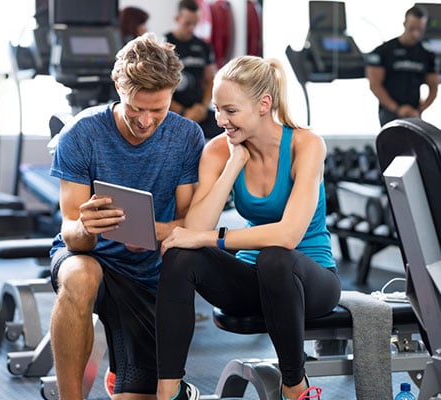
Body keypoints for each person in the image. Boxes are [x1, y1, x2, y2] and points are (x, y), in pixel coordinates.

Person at [155, 55, 341, 400]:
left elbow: (288, 235)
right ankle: (169, 391)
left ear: (263, 104)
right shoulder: (218, 150)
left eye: (230, 111)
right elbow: (194, 230)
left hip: (310, 281)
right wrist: (232, 166)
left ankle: (294, 387)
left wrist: (210, 238)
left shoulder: (306, 144)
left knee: (275, 256)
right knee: (181, 255)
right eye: (217, 110)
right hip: (251, 280)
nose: (221, 120)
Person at [48, 33, 205, 400]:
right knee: (81, 274)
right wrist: (86, 227)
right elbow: (70, 231)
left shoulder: (186, 137)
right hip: (91, 258)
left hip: (149, 272)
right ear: (119, 85)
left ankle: (126, 377)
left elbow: (191, 222)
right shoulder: (82, 134)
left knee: (138, 394)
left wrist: (155, 232)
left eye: (159, 109)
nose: (147, 120)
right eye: (137, 107)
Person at [366, 5, 438, 127]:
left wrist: (421, 108)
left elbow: (434, 86)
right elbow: (375, 85)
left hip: (414, 112)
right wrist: (397, 109)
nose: (415, 33)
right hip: (389, 111)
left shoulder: (426, 54)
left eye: (419, 29)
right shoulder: (384, 51)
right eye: (412, 28)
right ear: (405, 23)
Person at [165, 0, 223, 139]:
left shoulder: (203, 46)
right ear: (177, 19)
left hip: (198, 109)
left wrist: (203, 107)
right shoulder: (164, 44)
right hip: (172, 110)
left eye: (195, 23)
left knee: (224, 130)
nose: (192, 28)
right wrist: (183, 111)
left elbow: (211, 80)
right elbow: (157, 86)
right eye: (187, 23)